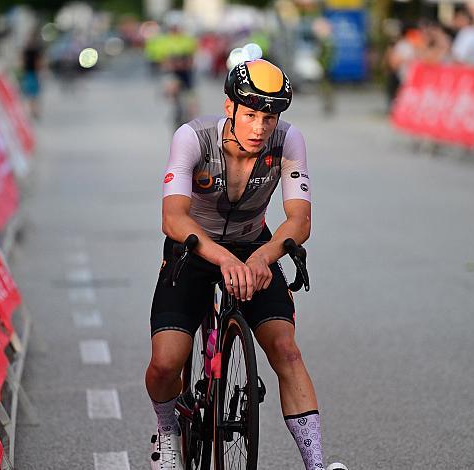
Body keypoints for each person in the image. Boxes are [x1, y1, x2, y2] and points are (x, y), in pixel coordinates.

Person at [145, 58, 346, 470]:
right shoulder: (192, 138)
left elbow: (298, 220)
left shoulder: (288, 141)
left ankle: (318, 465)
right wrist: (223, 259)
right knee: (166, 362)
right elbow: (173, 218)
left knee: (286, 351)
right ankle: (167, 432)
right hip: (194, 248)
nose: (259, 128)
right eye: (251, 114)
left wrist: (260, 258)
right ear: (229, 107)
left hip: (254, 246)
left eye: (269, 117)